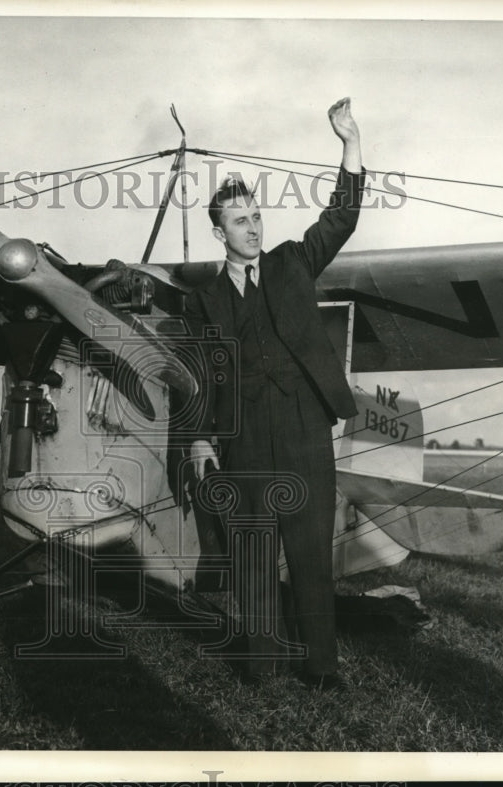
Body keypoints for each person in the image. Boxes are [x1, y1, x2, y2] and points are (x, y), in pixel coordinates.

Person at [183, 97, 364, 688]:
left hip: (304, 427)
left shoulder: (292, 263)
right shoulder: (204, 300)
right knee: (253, 555)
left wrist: (349, 145)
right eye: (240, 220)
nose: (253, 225)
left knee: (311, 554)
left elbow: (339, 220)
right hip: (242, 443)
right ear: (220, 232)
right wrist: (201, 441)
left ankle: (321, 669)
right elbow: (203, 376)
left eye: (256, 215)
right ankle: (262, 667)